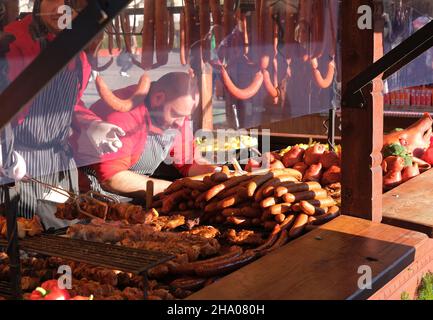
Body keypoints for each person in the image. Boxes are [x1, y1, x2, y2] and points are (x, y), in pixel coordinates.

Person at [0, 0, 125, 218]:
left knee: (66, 236)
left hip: (58, 167)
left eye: (71, 4)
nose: (62, 8)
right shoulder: (12, 42)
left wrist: (92, 124)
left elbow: (71, 104)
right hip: (15, 164)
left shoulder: (78, 54)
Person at [73, 72, 217, 201]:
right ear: (158, 98)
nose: (181, 123)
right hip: (93, 198)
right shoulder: (123, 115)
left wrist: (212, 173)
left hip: (135, 197)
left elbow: (188, 160)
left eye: (186, 116)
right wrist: (178, 188)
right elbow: (112, 178)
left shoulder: (175, 111)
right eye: (176, 114)